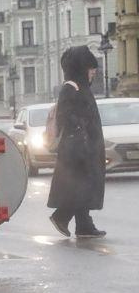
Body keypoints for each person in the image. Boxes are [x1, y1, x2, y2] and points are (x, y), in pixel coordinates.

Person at [48, 46, 107, 238]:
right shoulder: (70, 87)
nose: (93, 72)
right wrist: (81, 130)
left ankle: (83, 226)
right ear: (81, 68)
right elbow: (66, 115)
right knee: (81, 185)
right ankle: (62, 217)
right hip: (77, 148)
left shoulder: (82, 87)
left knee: (84, 184)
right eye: (90, 68)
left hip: (86, 145)